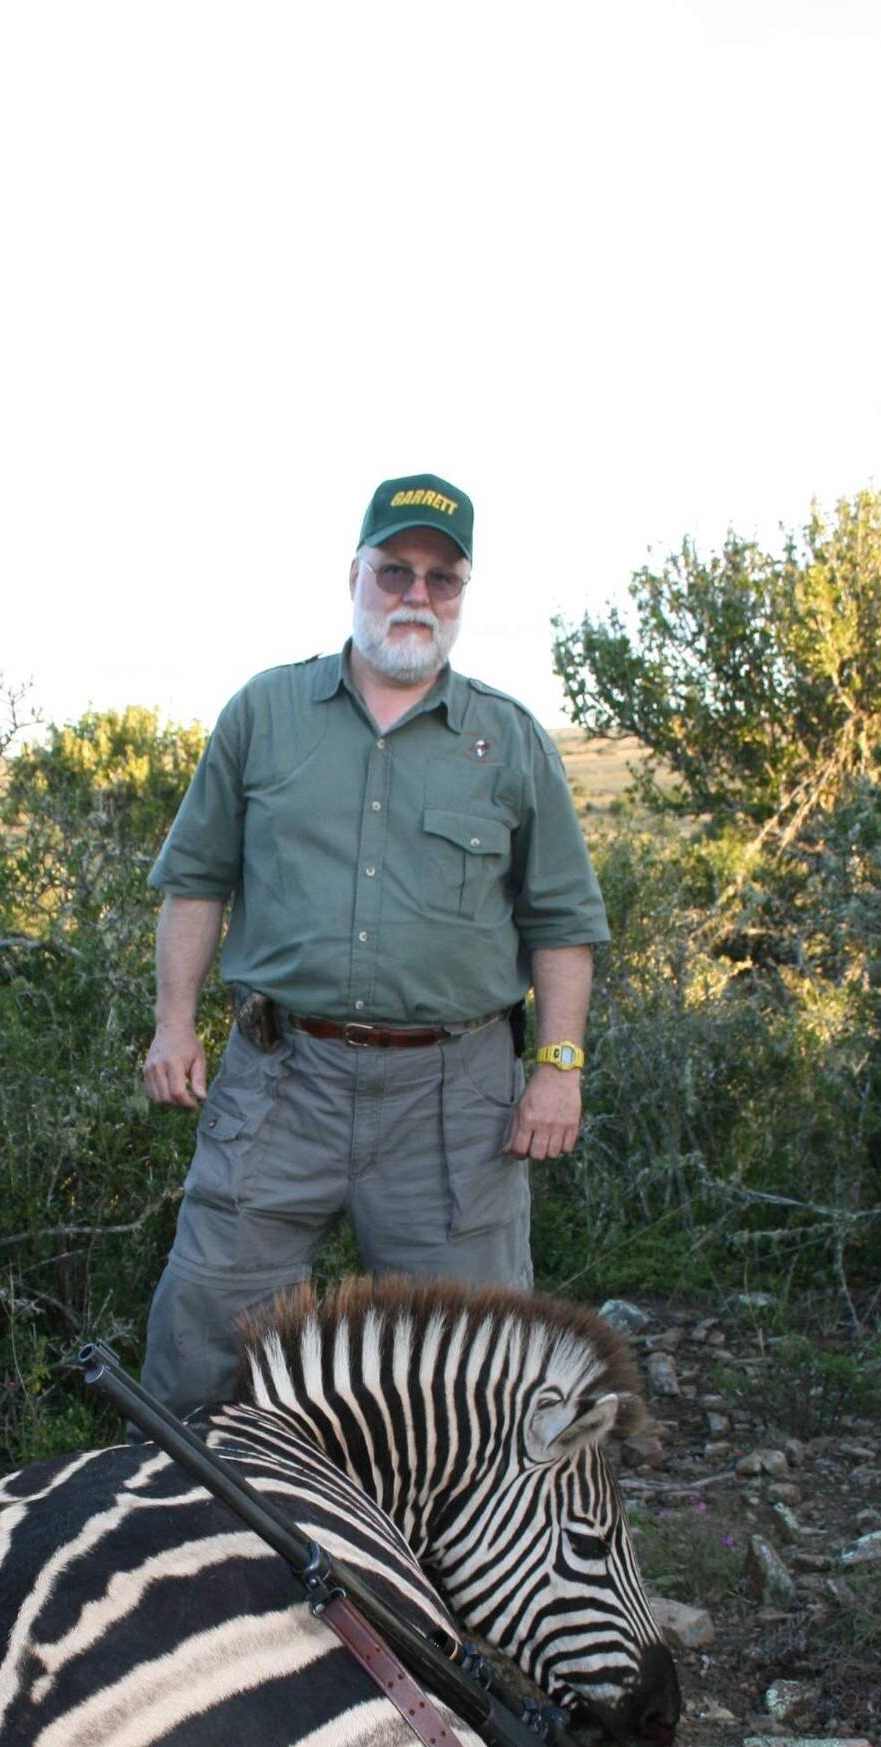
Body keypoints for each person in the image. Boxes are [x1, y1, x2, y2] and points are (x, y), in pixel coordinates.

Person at [139, 472, 608, 1415]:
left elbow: (561, 922)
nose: (415, 595)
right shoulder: (262, 715)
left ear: (462, 596)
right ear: (353, 573)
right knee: (204, 1342)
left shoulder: (509, 740)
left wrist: (558, 1068)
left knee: (475, 1372)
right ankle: (188, 1537)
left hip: (454, 1099)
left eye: (442, 579)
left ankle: (450, 1558)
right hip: (278, 1081)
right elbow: (196, 880)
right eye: (395, 570)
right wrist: (172, 1025)